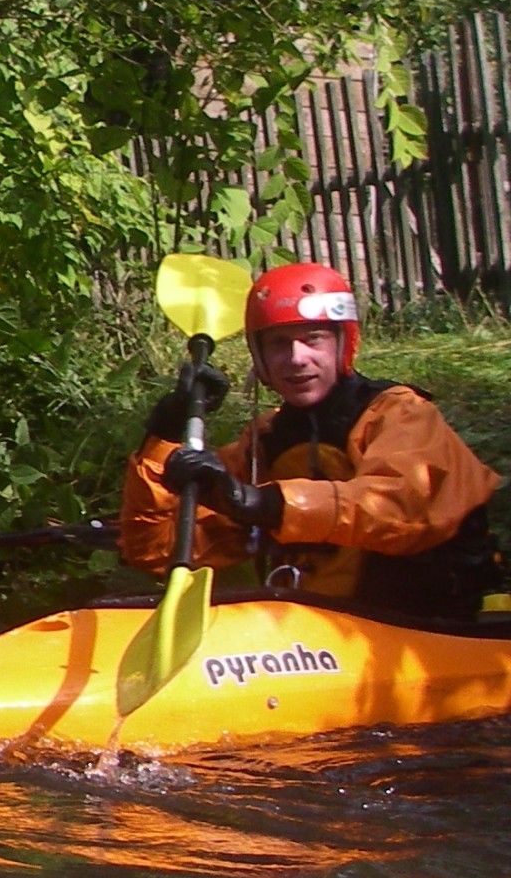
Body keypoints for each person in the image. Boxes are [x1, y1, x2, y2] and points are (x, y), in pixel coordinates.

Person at [121, 261, 502, 620]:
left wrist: (267, 504)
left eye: (313, 339)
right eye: (278, 343)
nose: (296, 357)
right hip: (316, 639)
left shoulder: (400, 414)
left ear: (343, 343)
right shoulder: (265, 442)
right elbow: (155, 549)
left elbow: (399, 510)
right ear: (259, 357)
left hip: (431, 627)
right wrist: (165, 433)